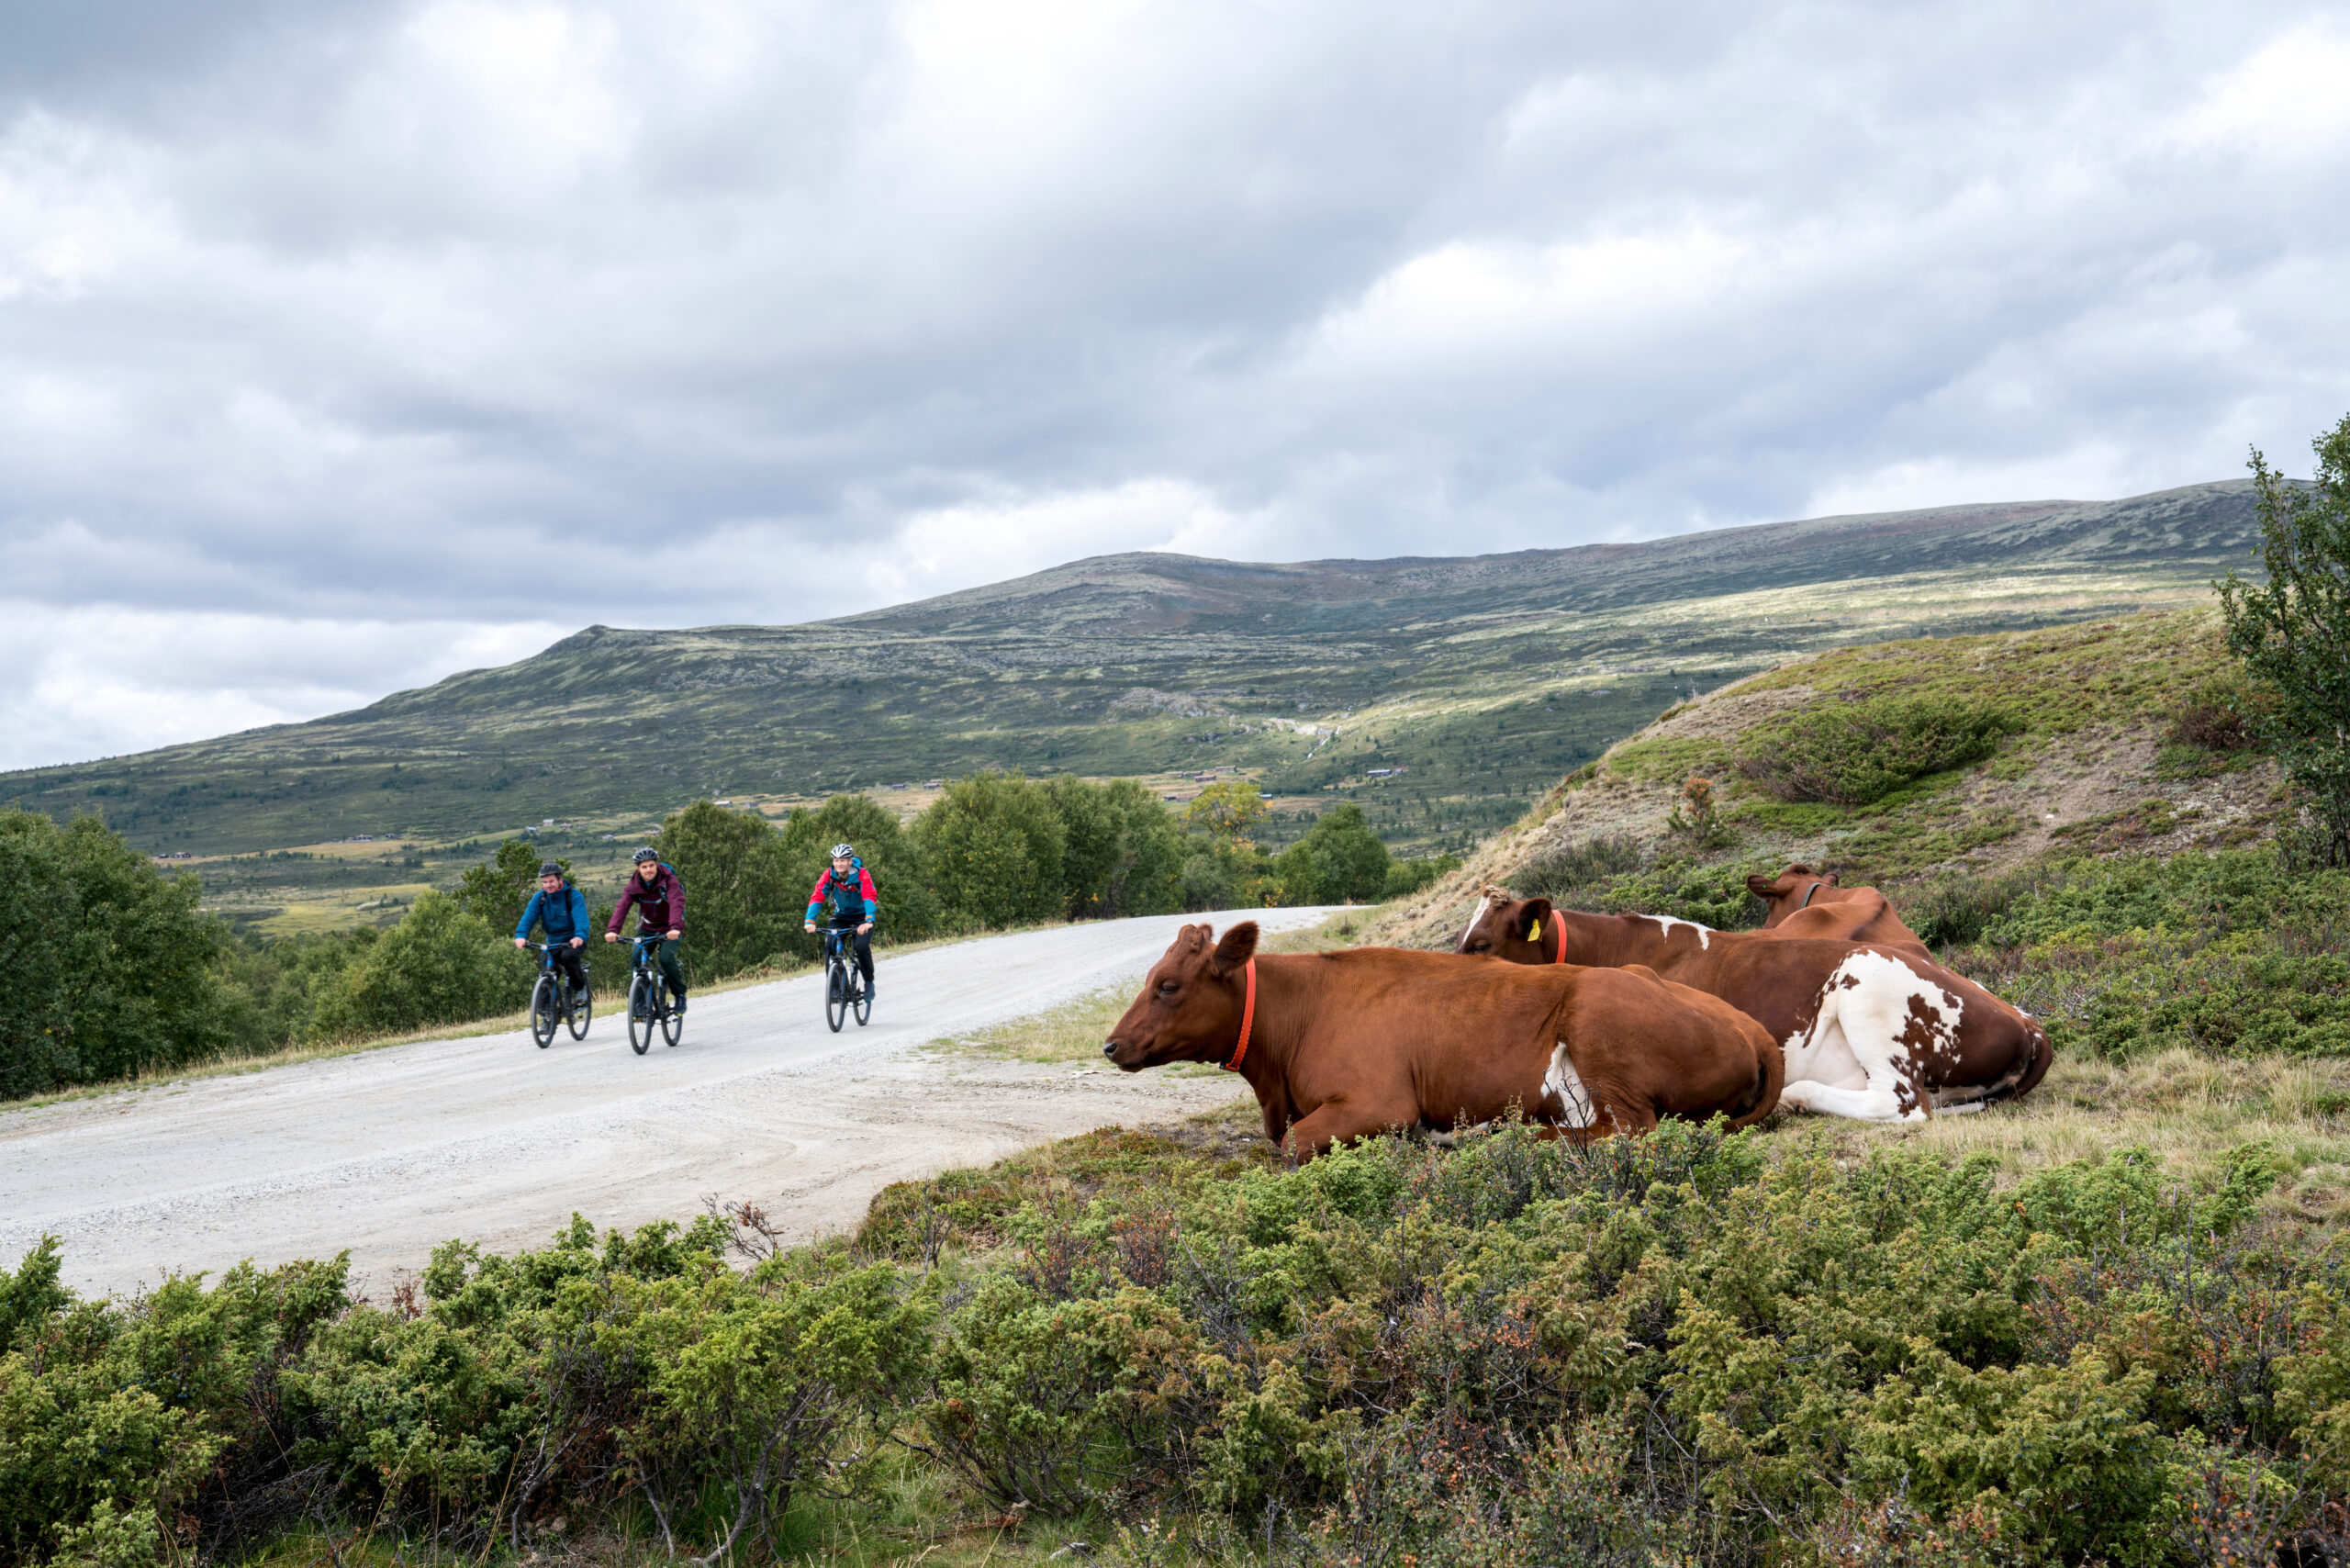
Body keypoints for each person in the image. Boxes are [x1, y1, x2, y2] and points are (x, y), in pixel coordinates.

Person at [606, 846, 688, 1013]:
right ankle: (641, 1003)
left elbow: (676, 902)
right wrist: (613, 930)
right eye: (644, 867)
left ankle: (679, 995)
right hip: (647, 927)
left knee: (665, 959)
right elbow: (623, 906)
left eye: (651, 865)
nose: (648, 870)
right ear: (638, 869)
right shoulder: (634, 885)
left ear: (656, 865)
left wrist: (674, 927)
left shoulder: (668, 880)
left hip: (671, 928)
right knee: (637, 958)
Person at [804, 842, 878, 1000]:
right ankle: (835, 988)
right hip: (840, 917)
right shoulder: (829, 875)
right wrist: (810, 920)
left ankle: (869, 983)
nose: (839, 864)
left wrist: (869, 920)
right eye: (836, 860)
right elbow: (818, 896)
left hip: (862, 917)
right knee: (830, 945)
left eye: (843, 860)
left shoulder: (862, 874)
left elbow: (869, 896)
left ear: (850, 861)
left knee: (861, 946)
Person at [513, 862, 591, 1002]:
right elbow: (528, 918)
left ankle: (580, 988)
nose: (548, 885)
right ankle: (547, 1017)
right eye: (545, 882)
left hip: (573, 939)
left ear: (560, 880)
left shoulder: (573, 896)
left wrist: (579, 936)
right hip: (553, 941)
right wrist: (521, 936)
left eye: (551, 881)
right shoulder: (540, 898)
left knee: (568, 958)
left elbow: (581, 918)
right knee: (545, 974)